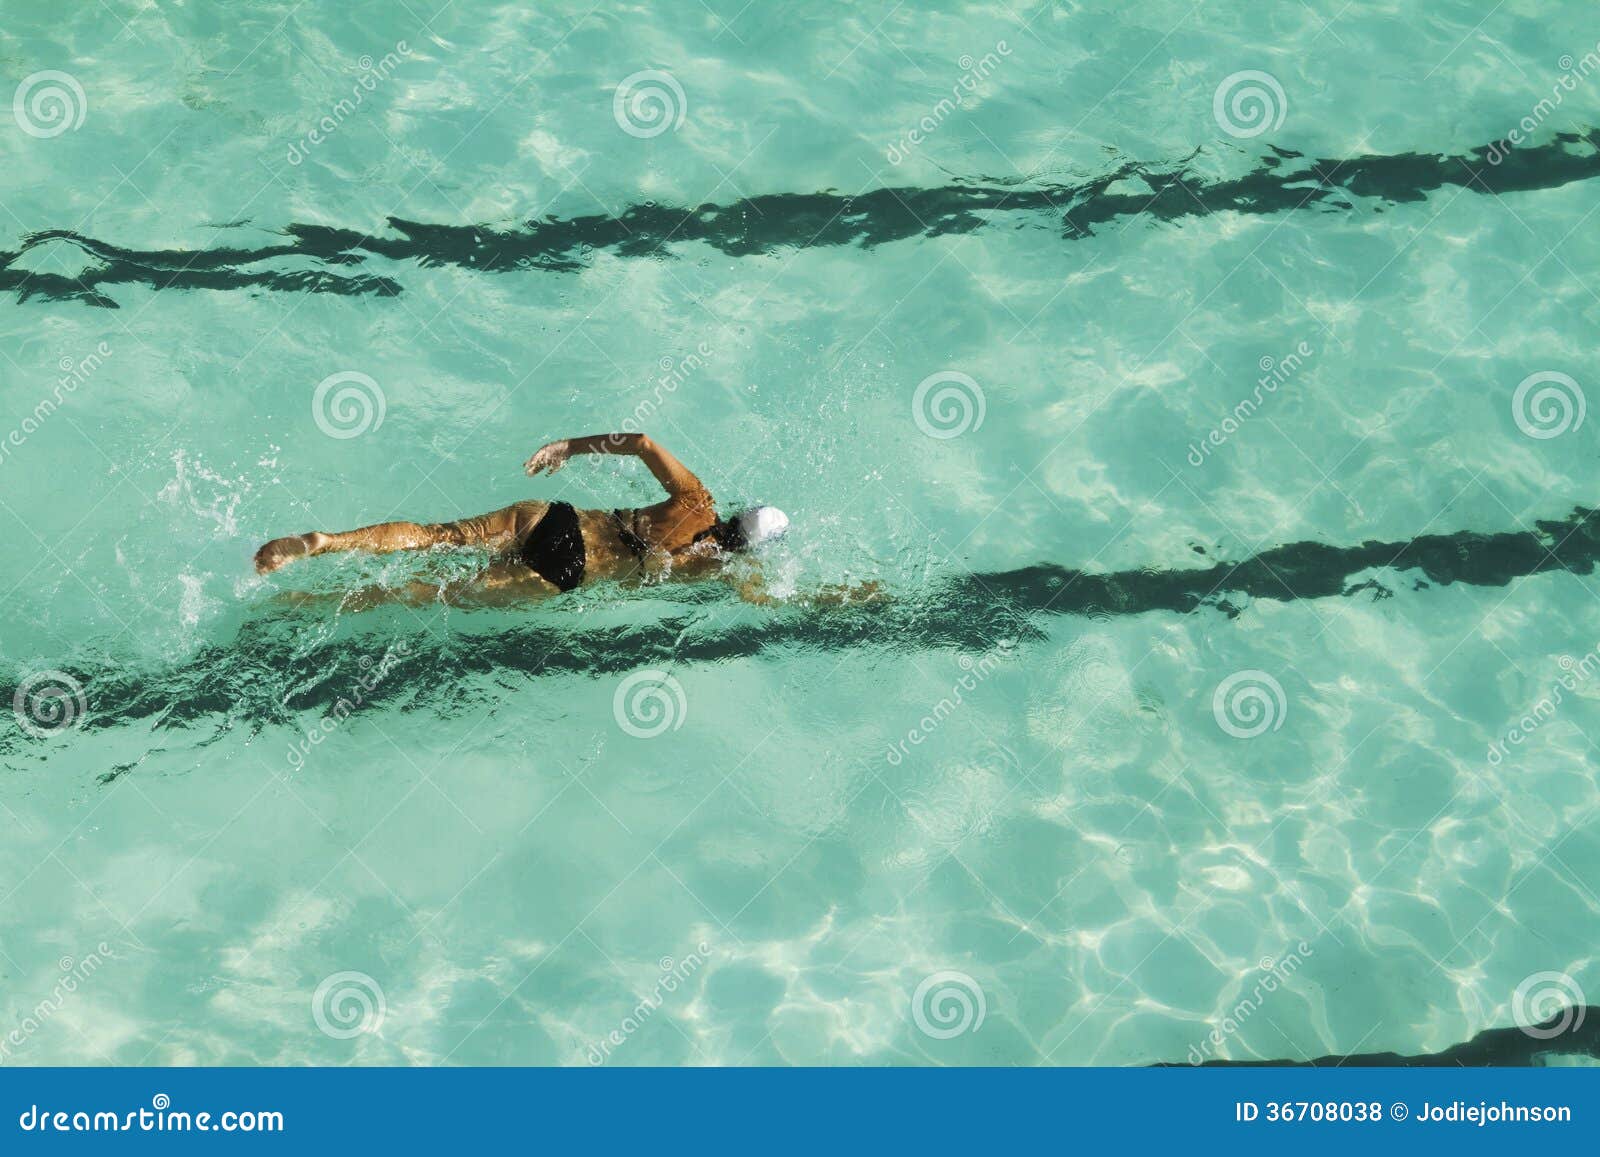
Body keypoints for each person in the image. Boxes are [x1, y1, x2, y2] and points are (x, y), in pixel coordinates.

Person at [252, 433, 791, 601]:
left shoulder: (697, 500)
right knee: (431, 593)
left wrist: (568, 447)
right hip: (567, 570)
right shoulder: (722, 568)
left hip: (557, 520)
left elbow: (644, 442)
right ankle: (308, 603)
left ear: (739, 513)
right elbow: (765, 601)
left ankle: (327, 541)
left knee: (432, 536)